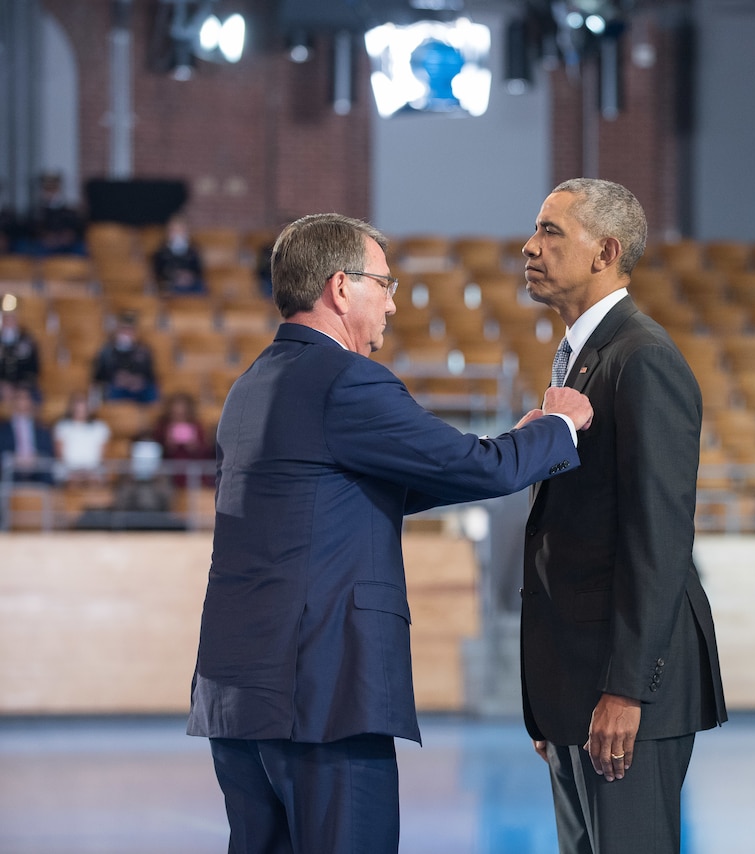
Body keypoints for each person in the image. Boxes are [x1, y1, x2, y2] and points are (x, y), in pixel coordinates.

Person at [186, 212, 594, 854]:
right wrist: (557, 427)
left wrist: (516, 444)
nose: (394, 303)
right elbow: (471, 466)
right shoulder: (347, 380)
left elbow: (370, 489)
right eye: (385, 283)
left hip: (241, 691)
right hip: (321, 691)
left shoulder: (252, 386)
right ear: (341, 288)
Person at [519, 178, 727, 854]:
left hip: (627, 686)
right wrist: (553, 694)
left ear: (604, 251)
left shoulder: (643, 360)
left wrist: (626, 692)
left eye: (552, 232)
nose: (530, 246)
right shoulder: (584, 360)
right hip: (582, 682)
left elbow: (657, 539)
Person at [91, 312, 158, 403]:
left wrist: (137, 380)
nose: (126, 333)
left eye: (130, 330)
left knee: (151, 391)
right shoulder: (107, 351)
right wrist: (116, 378)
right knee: (111, 390)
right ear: (117, 330)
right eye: (124, 329)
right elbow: (99, 376)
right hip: (116, 387)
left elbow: (150, 375)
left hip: (138, 388)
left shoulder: (143, 351)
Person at [0, 384, 55, 484]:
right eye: (19, 398)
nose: (22, 402)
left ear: (31, 402)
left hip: (37, 468)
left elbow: (49, 452)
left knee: (48, 473)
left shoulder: (41, 428)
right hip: (12, 468)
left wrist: (36, 457)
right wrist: (15, 459)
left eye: (25, 398)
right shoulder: (3, 429)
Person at [52, 390, 111, 484]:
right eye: (77, 405)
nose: (80, 409)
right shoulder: (62, 426)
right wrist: (74, 471)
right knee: (72, 482)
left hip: (93, 469)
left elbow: (102, 456)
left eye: (83, 404)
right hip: (69, 470)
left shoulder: (100, 427)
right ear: (71, 407)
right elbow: (60, 454)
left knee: (94, 481)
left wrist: (89, 471)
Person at [151, 216, 206, 295]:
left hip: (191, 285)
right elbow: (158, 272)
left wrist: (188, 277)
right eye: (174, 231)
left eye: (180, 230)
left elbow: (199, 271)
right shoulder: (161, 252)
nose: (178, 233)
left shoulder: (193, 251)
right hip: (171, 284)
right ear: (169, 232)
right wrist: (175, 275)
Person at [0, 309, 41, 403]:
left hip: (22, 385)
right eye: (6, 319)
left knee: (27, 397)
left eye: (12, 319)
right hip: (1, 385)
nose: (9, 323)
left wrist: (20, 386)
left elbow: (34, 368)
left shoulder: (27, 342)